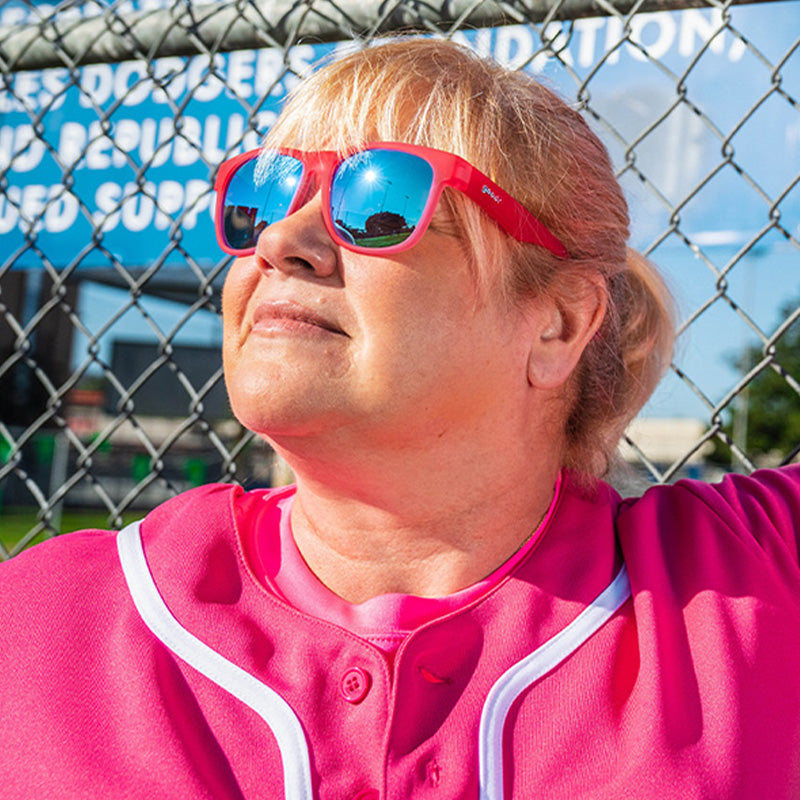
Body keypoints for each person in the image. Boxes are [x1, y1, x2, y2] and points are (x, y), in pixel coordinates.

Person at [1, 38, 799, 800]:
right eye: (267, 196)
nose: (280, 240)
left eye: (378, 199)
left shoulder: (753, 577)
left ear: (557, 324)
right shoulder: (44, 621)